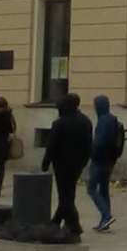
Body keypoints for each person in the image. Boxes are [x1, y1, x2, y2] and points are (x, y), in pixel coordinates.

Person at [38, 94, 89, 236]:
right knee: (69, 194)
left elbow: (52, 145)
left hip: (62, 164)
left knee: (65, 196)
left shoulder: (59, 123)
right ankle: (55, 222)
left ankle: (75, 225)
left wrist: (46, 162)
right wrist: (84, 162)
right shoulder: (86, 121)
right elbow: (88, 145)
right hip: (78, 164)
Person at [86, 93, 122, 232]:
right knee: (103, 189)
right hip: (110, 160)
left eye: (95, 105)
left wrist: (91, 152)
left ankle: (106, 215)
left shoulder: (103, 121)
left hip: (99, 160)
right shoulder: (113, 119)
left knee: (91, 189)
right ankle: (104, 221)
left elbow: (98, 143)